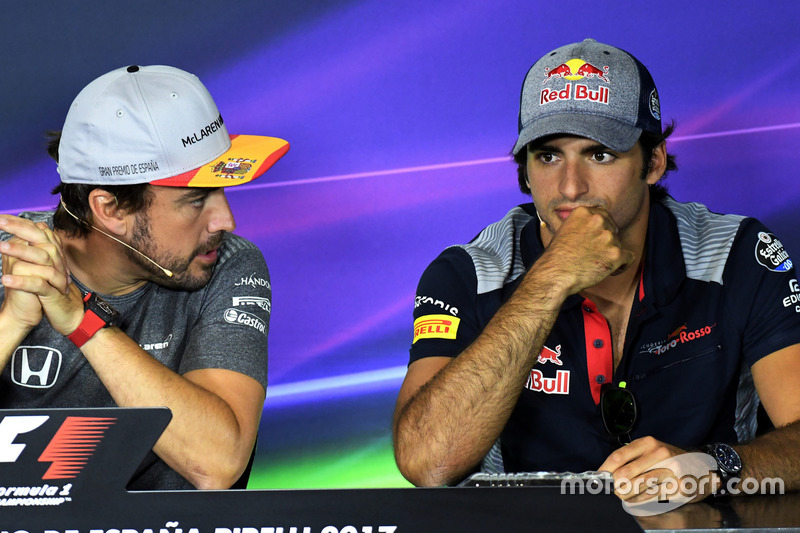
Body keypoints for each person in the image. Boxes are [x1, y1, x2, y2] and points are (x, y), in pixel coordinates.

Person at [393, 39, 800, 503]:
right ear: (524, 171)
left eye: (599, 154)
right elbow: (428, 461)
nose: (570, 186)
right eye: (548, 156)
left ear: (654, 161)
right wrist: (552, 277)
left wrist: (713, 465)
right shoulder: (469, 273)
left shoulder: (737, 254)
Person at [0, 65, 290, 490]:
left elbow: (217, 464)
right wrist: (12, 322)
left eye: (223, 190)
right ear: (111, 209)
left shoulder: (227, 263)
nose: (226, 220)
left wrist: (84, 323)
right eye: (196, 200)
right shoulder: (10, 257)